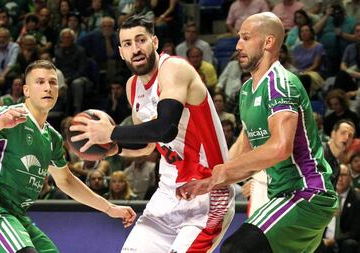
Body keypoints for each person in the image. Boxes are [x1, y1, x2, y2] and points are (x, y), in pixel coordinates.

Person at [70, 14, 235, 253]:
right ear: (121, 52)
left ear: (154, 42)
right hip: (167, 194)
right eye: (128, 44)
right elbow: (147, 143)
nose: (135, 49)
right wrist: (111, 148)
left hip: (206, 192)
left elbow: (165, 129)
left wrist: (112, 133)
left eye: (141, 40)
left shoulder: (174, 69)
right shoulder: (132, 86)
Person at [177, 12, 338, 253]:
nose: (238, 45)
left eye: (245, 37)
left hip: (307, 193)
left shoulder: (280, 83)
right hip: (282, 194)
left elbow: (280, 147)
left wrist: (226, 169)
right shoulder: (246, 91)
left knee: (237, 248)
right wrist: (208, 182)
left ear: (268, 42)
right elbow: (250, 156)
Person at [0, 60, 136, 253]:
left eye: (52, 82)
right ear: (26, 90)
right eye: (40, 82)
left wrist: (109, 208)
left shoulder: (52, 137)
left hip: (16, 217)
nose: (47, 88)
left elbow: (66, 181)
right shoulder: (8, 115)